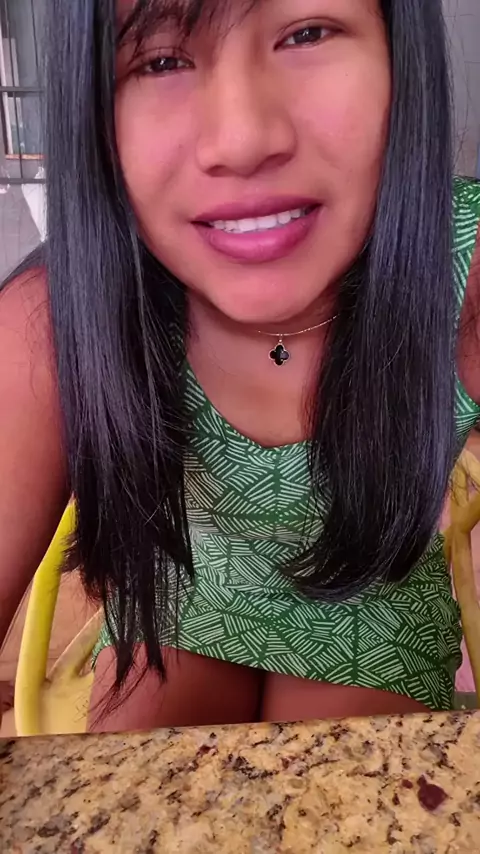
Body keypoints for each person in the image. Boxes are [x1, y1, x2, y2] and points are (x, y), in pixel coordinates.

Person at [1, 0, 479, 734]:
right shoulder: (57, 316)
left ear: (398, 52)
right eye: (160, 61)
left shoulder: (464, 275)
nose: (243, 140)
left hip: (373, 601)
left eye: (307, 33)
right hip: (184, 598)